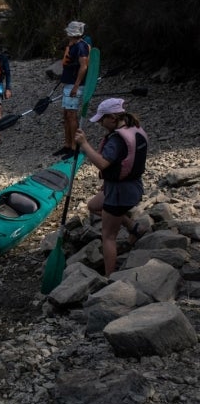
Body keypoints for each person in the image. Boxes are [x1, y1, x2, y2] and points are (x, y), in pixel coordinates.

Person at [74, 98, 149, 276]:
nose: (100, 123)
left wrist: (84, 144)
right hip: (131, 186)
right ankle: (134, 228)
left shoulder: (117, 140)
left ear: (113, 117)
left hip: (120, 192)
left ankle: (109, 278)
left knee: (108, 236)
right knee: (93, 206)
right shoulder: (133, 127)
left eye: (102, 119)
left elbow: (102, 163)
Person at [54, 20, 91, 159]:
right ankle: (67, 144)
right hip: (68, 84)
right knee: (66, 114)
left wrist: (76, 86)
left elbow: (84, 66)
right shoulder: (73, 45)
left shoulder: (81, 47)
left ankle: (74, 147)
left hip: (75, 85)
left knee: (71, 115)